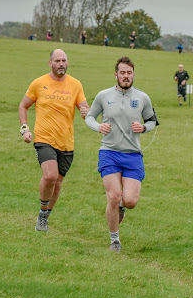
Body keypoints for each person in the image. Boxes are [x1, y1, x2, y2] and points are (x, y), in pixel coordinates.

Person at [85, 56, 158, 252]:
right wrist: (98, 126)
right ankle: (114, 240)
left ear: (134, 75)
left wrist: (143, 127)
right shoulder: (104, 95)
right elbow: (89, 116)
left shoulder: (143, 98)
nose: (126, 76)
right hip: (109, 153)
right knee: (113, 196)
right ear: (116, 74)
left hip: (133, 155)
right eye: (122, 73)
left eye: (129, 73)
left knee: (130, 201)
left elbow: (152, 121)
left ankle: (122, 209)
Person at [18, 49, 89, 232]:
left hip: (66, 142)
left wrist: (86, 113)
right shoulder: (39, 83)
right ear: (50, 63)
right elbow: (23, 106)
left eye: (64, 60)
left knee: (57, 183)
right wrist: (24, 128)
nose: (61, 63)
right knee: (50, 176)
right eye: (57, 60)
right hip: (44, 138)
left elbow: (85, 110)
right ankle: (42, 211)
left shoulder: (75, 85)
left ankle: (45, 215)